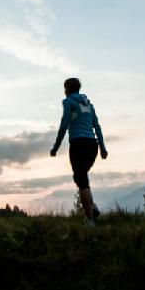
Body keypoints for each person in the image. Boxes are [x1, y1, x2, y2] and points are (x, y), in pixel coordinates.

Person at [50, 77, 108, 226]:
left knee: (81, 181)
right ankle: (92, 208)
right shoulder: (90, 105)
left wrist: (55, 147)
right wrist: (102, 147)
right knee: (81, 177)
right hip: (92, 145)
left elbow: (64, 124)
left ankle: (89, 220)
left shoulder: (68, 102)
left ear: (67, 89)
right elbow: (97, 127)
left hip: (78, 144)